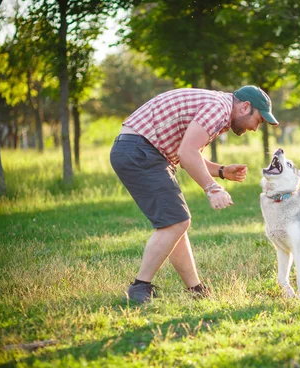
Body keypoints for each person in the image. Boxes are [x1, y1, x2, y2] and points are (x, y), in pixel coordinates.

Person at [110, 85, 279, 303]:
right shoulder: (219, 109)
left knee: (174, 223)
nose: (256, 128)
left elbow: (189, 153)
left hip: (139, 150)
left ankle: (196, 289)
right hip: (141, 151)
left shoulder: (218, 106)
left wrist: (221, 171)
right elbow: (187, 153)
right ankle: (140, 287)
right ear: (246, 107)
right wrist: (212, 189)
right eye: (259, 120)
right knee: (176, 223)